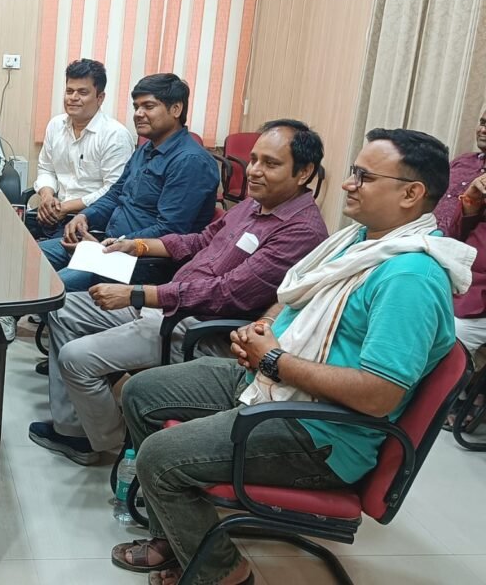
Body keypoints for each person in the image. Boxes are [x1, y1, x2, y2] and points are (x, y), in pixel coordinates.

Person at [111, 129, 474, 585]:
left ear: (410, 194)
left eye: (364, 176)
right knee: (142, 392)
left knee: (159, 457)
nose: (348, 183)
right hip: (277, 386)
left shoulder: (409, 277)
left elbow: (379, 395)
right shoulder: (359, 243)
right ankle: (178, 534)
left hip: (320, 434)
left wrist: (274, 360)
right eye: (354, 171)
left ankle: (225, 573)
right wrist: (262, 330)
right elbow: (295, 300)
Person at [29, 120, 327, 465]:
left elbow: (227, 294)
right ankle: (75, 430)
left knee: (76, 357)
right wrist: (137, 246)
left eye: (270, 164)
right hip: (169, 302)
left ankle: (113, 442)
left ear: (304, 172)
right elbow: (200, 240)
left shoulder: (301, 232)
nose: (254, 171)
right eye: (254, 160)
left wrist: (139, 294)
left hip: (198, 327)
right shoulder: (253, 204)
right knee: (63, 308)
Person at [39, 73, 220, 291]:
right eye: (136, 107)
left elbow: (171, 230)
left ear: (176, 109)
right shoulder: (146, 149)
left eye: (148, 106)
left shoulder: (190, 161)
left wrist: (109, 246)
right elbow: (116, 194)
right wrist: (84, 216)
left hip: (143, 262)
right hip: (109, 244)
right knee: (29, 258)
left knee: (49, 288)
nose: (138, 114)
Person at [31, 59, 134, 239]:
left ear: (100, 98)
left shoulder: (115, 135)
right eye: (69, 91)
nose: (73, 97)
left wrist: (66, 207)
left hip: (91, 221)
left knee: (36, 253)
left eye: (82, 92)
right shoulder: (55, 125)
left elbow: (113, 190)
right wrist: (47, 196)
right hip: (54, 213)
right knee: (8, 237)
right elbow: (46, 169)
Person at [434, 109, 486, 426]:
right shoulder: (464, 164)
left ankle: (453, 400)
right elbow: (454, 232)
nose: (483, 129)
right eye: (482, 121)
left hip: (476, 293)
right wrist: (471, 201)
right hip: (453, 267)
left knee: (454, 332)